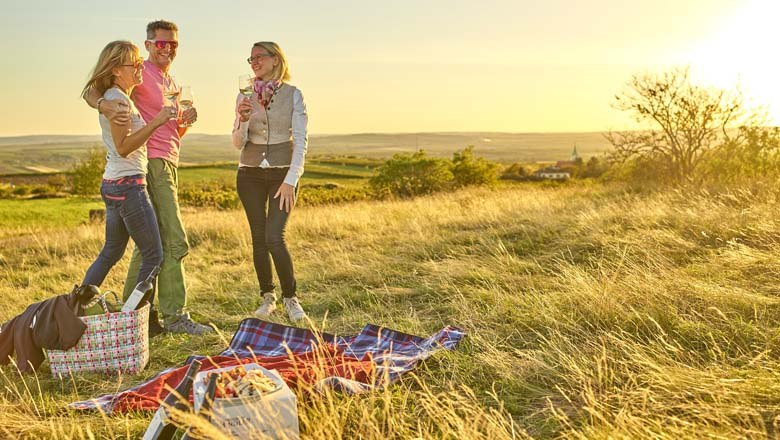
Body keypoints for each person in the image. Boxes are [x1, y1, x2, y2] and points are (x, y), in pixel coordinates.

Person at [84, 20, 212, 335]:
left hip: (167, 161)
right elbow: (93, 88)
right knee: (174, 241)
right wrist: (103, 105)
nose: (167, 48)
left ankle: (133, 314)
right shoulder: (139, 74)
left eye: (173, 44)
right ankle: (174, 316)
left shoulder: (171, 82)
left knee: (146, 245)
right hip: (149, 163)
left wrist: (186, 122)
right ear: (148, 45)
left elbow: (171, 127)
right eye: (160, 43)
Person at [79, 41, 175, 336]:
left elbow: (89, 92)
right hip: (129, 186)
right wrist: (157, 121)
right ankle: (133, 320)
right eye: (135, 64)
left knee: (111, 251)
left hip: (113, 184)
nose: (140, 69)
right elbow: (123, 147)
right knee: (154, 256)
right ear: (117, 70)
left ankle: (75, 307)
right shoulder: (117, 100)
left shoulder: (114, 97)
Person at [232, 42, 309, 321]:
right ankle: (267, 296)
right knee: (257, 237)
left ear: (275, 59)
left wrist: (291, 180)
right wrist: (241, 120)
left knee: (274, 237)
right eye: (250, 59)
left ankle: (291, 298)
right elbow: (238, 142)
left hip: (282, 174)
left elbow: (301, 141)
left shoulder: (293, 94)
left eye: (259, 57)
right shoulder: (244, 95)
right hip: (249, 174)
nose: (253, 62)